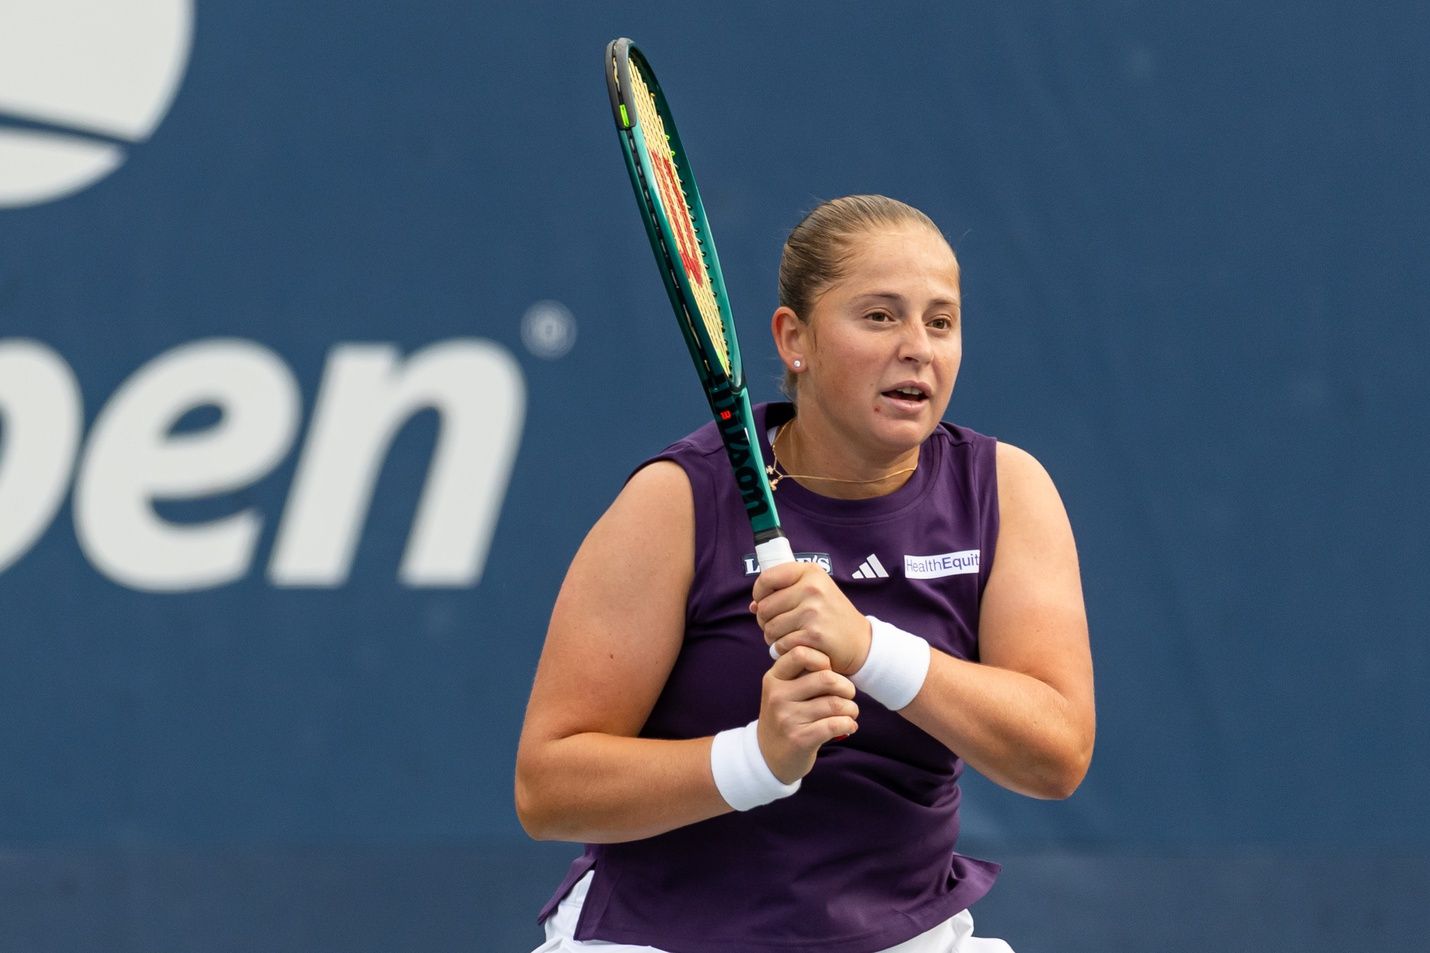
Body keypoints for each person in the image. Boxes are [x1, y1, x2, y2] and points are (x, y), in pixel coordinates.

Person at [515, 195, 1094, 953]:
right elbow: (548, 788)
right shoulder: (676, 501)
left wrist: (868, 648)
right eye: (880, 316)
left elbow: (1056, 754)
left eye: (941, 321)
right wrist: (756, 758)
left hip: (903, 935)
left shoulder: (1005, 490)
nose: (918, 347)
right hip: (663, 938)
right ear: (796, 340)